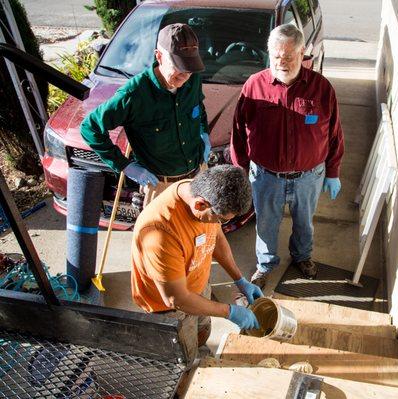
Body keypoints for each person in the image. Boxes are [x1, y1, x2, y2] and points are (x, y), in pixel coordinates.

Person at [230, 24, 345, 289]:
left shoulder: (321, 88)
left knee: (305, 222)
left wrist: (333, 171)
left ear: (302, 52)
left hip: (309, 176)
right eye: (276, 57)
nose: (281, 63)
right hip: (266, 177)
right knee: (266, 224)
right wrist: (240, 172)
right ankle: (265, 264)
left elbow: (335, 132)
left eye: (288, 57)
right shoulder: (254, 86)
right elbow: (238, 132)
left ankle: (302, 256)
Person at [130, 164, 263, 363]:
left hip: (198, 283)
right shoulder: (160, 232)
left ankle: (198, 351)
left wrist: (240, 279)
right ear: (200, 205)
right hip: (171, 309)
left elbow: (216, 238)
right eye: (221, 220)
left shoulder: (198, 190)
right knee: (184, 358)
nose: (220, 225)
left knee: (202, 332)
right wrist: (229, 311)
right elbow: (177, 300)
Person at [80, 23, 212, 207]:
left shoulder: (193, 78)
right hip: (160, 187)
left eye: (189, 68)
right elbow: (90, 128)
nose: (185, 75)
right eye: (179, 66)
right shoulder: (134, 94)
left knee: (200, 235)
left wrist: (204, 134)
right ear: (159, 56)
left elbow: (198, 107)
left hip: (197, 177)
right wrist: (125, 165)